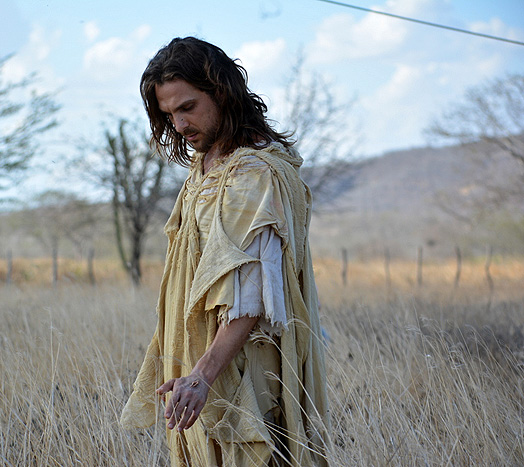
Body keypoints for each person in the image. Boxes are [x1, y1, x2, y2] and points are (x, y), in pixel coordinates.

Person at [120, 37, 329, 467]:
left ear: (222, 92)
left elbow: (251, 293)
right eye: (169, 114)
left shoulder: (251, 174)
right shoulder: (206, 167)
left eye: (187, 107)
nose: (178, 124)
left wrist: (202, 376)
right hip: (205, 365)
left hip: (239, 366)